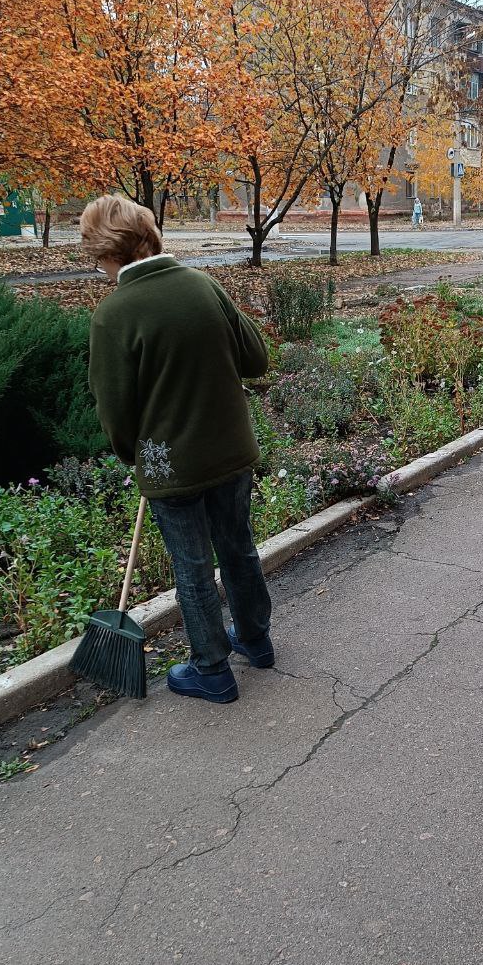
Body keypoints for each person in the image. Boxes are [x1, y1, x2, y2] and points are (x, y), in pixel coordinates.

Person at [81, 194, 273, 704]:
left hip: (173, 465)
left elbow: (116, 415)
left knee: (192, 566)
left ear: (106, 251)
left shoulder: (113, 315)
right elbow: (255, 358)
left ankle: (212, 669)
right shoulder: (203, 284)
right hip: (232, 450)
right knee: (237, 547)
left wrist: (137, 455)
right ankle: (256, 641)